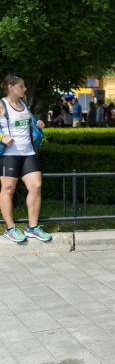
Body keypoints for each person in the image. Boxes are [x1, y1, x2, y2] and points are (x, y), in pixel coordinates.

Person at [0, 75, 51, 243]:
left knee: (36, 186)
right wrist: (2, 137)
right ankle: (10, 229)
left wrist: (38, 125)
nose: (25, 89)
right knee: (8, 189)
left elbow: (28, 125)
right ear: (11, 87)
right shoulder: (2, 105)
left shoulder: (24, 105)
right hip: (9, 155)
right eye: (21, 86)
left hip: (28, 152)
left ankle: (32, 228)